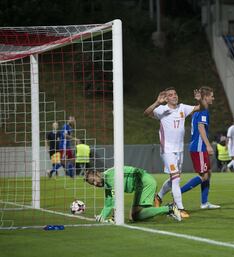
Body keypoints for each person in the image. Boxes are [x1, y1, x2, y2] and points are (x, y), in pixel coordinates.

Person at [144, 87, 202, 218]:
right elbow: (146, 113)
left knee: (173, 179)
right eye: (171, 95)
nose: (174, 96)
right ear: (166, 98)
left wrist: (200, 101)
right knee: (176, 179)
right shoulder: (162, 109)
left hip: (179, 150)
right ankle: (179, 208)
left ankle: (158, 197)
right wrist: (157, 103)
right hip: (167, 150)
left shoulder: (183, 108)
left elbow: (201, 108)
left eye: (175, 94)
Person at [84, 166, 182, 222]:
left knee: (137, 215)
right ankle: (169, 209)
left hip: (145, 182)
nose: (95, 184)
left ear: (97, 173)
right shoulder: (106, 181)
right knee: (135, 216)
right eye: (92, 183)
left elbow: (116, 199)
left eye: (94, 180)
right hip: (140, 185)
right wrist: (101, 217)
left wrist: (114, 218)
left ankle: (170, 208)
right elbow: (109, 203)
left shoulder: (110, 177)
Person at [181, 86, 220, 209]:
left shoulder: (197, 109)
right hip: (199, 147)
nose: (213, 98)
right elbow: (201, 127)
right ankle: (178, 192)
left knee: (208, 173)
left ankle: (204, 202)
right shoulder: (203, 111)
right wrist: (208, 146)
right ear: (206, 97)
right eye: (211, 96)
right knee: (204, 176)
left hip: (197, 147)